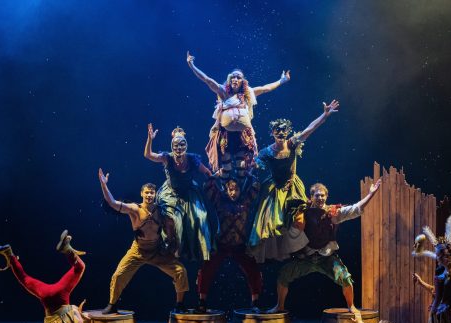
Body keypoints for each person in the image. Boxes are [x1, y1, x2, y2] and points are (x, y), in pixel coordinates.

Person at [268, 179, 380, 314]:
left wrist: (371, 194)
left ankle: (351, 306)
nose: (320, 198)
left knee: (345, 278)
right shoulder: (303, 212)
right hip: (306, 257)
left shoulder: (333, 212)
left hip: (326, 258)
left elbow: (355, 209)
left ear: (326, 196)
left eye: (322, 195)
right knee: (284, 274)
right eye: (317, 195)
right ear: (311, 197)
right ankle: (279, 306)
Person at [248, 100, 340, 263]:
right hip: (275, 189)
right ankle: (280, 252)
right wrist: (251, 166)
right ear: (272, 132)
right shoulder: (266, 152)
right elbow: (255, 165)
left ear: (288, 131)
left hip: (292, 188)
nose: (281, 133)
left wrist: (324, 115)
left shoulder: (291, 144)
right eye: (277, 130)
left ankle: (301, 249)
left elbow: (309, 129)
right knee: (272, 224)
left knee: (299, 221)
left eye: (284, 130)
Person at [187, 51, 291, 179]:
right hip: (226, 136)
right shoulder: (223, 92)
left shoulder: (248, 93)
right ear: (229, 79)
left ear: (243, 81)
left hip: (242, 136)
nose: (235, 79)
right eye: (233, 77)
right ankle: (222, 186)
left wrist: (282, 80)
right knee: (226, 169)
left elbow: (266, 88)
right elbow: (206, 80)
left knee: (242, 169)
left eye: (238, 77)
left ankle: (243, 186)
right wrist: (192, 65)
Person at [98, 168, 189, 314]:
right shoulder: (135, 209)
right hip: (138, 251)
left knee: (180, 271)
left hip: (156, 251)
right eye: (146, 192)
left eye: (151, 193)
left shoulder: (161, 211)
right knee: (119, 275)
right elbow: (112, 202)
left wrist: (171, 246)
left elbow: (171, 229)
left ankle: (180, 304)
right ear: (142, 194)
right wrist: (104, 184)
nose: (149, 195)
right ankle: (112, 304)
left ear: (155, 194)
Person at [144, 124, 214, 261]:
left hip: (189, 193)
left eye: (182, 145)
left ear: (186, 145)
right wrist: (150, 139)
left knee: (200, 217)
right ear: (172, 146)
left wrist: (215, 180)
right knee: (172, 219)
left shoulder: (192, 159)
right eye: (176, 145)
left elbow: (206, 172)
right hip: (171, 193)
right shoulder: (167, 158)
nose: (179, 148)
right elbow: (148, 155)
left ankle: (199, 250)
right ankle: (171, 246)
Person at [197, 175, 262, 312]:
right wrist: (215, 175)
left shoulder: (245, 201)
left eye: (236, 190)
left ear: (240, 190)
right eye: (230, 190)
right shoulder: (219, 200)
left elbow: (256, 186)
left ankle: (255, 302)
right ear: (226, 190)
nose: (233, 193)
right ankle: (202, 301)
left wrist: (248, 172)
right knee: (206, 269)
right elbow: (207, 186)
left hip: (240, 245)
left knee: (253, 270)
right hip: (222, 244)